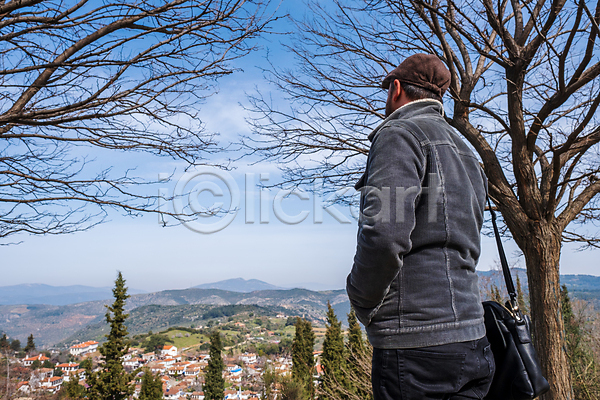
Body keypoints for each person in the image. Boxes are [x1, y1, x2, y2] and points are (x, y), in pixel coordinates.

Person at [346, 53, 495, 399]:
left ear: (396, 89)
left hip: (416, 346)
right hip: (473, 338)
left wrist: (362, 299)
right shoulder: (466, 151)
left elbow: (383, 234)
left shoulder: (399, 133)